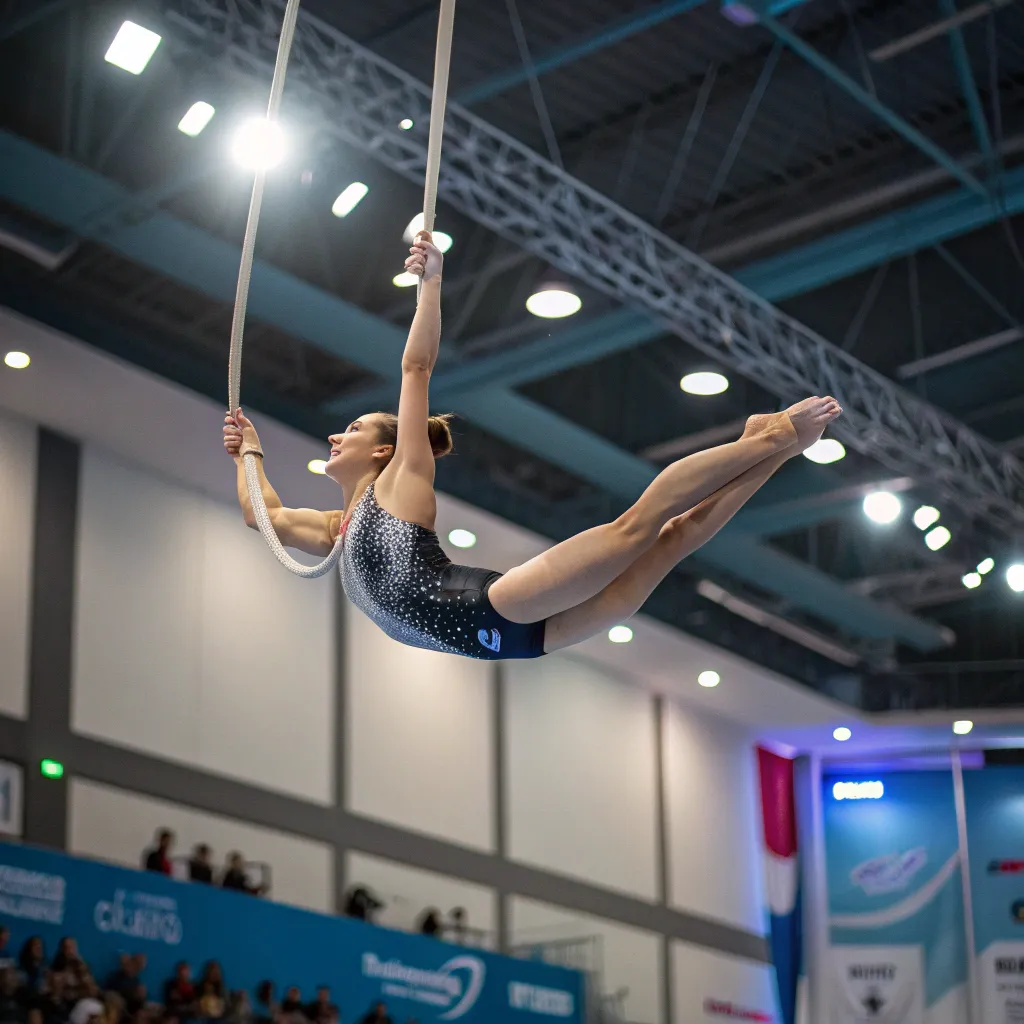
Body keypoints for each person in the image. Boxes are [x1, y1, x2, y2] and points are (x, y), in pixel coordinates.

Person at [224, 233, 842, 661]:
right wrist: (249, 450)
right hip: (523, 643)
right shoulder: (338, 527)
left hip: (497, 604)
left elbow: (415, 369)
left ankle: (773, 435)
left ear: (387, 452)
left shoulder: (400, 483)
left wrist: (432, 285)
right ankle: (779, 455)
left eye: (353, 429)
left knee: (637, 529)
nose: (335, 435)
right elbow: (264, 515)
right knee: (675, 540)